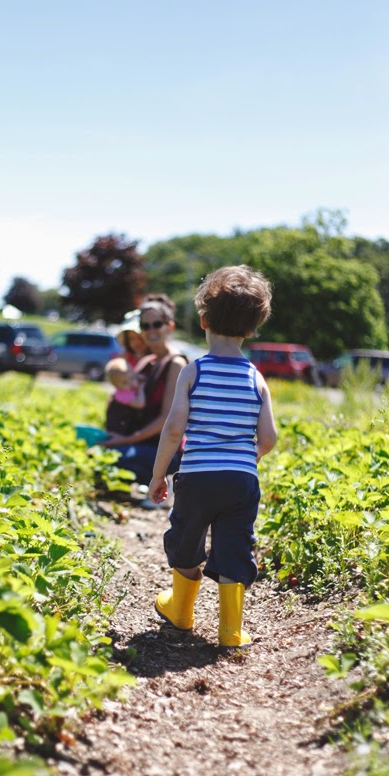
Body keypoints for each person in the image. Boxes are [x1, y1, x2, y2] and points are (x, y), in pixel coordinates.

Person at [148, 266, 278, 648]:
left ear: (203, 320)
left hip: (198, 477)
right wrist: (245, 459)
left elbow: (173, 429)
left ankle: (181, 611)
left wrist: (159, 475)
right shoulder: (256, 377)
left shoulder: (194, 372)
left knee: (187, 538)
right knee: (235, 545)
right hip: (241, 480)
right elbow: (269, 438)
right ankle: (230, 631)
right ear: (252, 329)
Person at [103, 295, 188, 504]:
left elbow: (166, 420)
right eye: (145, 325)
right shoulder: (148, 362)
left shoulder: (176, 363)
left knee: (112, 458)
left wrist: (124, 440)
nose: (151, 330)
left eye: (157, 324)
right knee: (100, 452)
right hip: (147, 445)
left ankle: (164, 486)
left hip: (167, 453)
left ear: (169, 326)